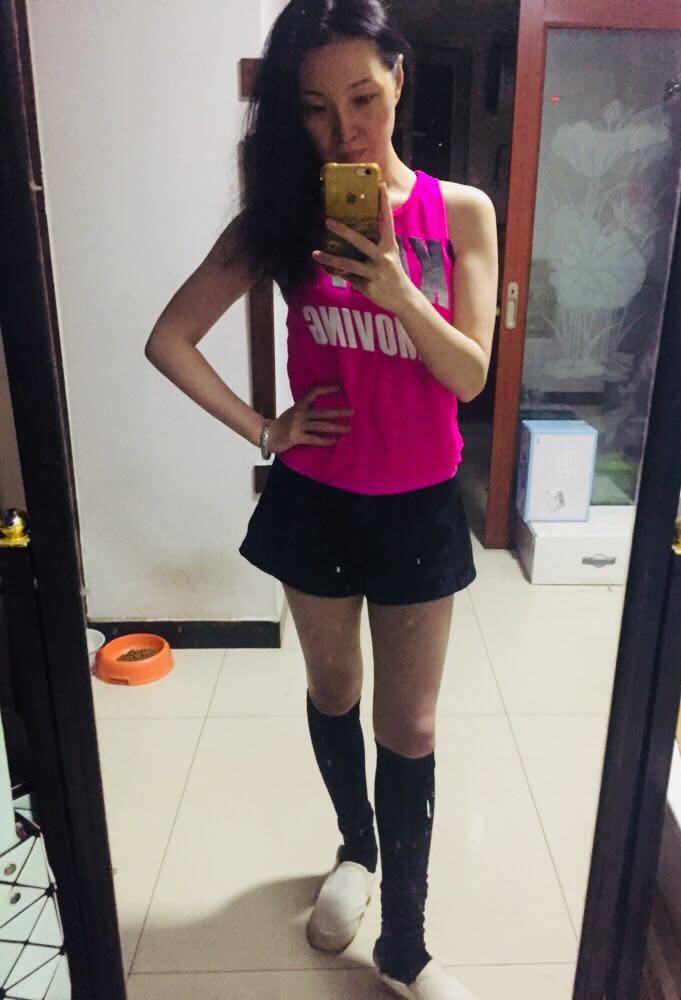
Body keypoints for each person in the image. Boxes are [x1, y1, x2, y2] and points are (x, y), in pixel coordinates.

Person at [145, 1, 498, 996]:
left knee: (411, 726)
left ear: (399, 78)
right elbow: (170, 338)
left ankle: (406, 943)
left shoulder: (459, 213)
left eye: (362, 98)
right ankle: (356, 849)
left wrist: (400, 291)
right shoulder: (286, 220)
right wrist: (266, 428)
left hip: (419, 504)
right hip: (317, 498)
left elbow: (469, 375)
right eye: (314, 109)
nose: (344, 130)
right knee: (335, 691)